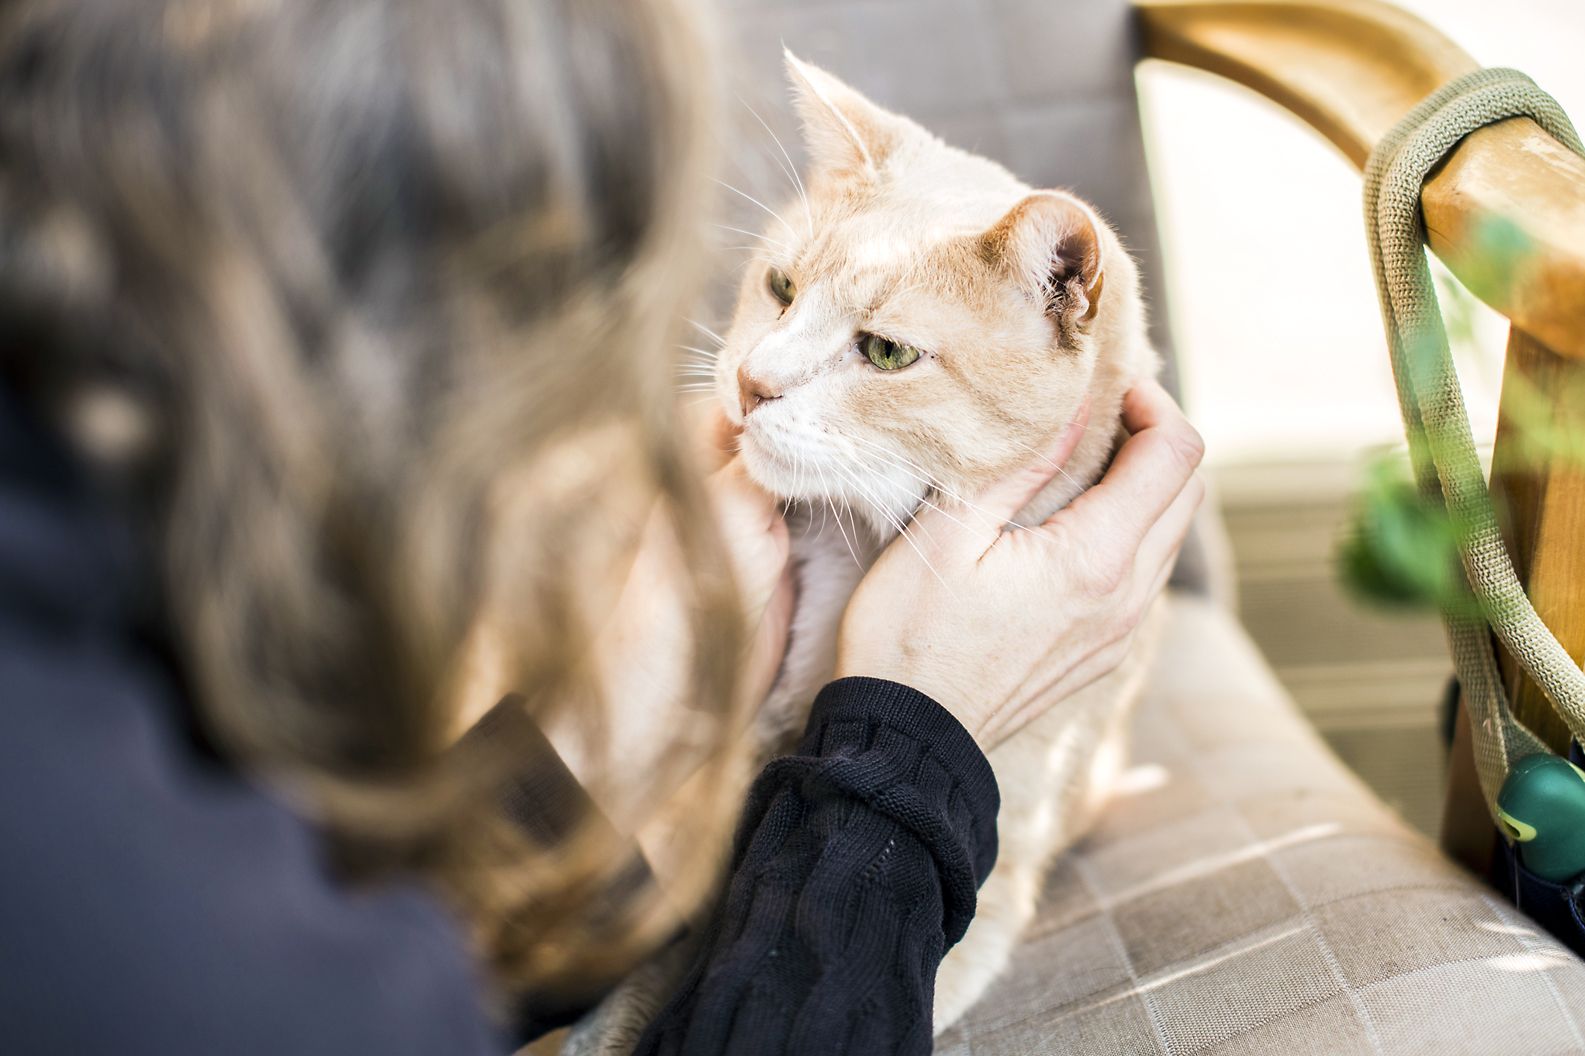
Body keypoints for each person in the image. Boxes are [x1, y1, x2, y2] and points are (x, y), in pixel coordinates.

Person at [0, 1, 1203, 1053]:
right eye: (778, 289)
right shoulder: (150, 944)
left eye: (878, 346)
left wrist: (592, 752)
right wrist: (906, 756)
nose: (757, 375)